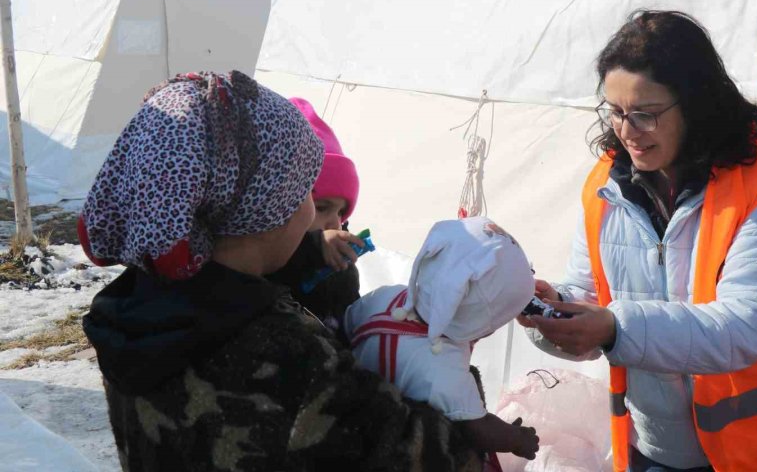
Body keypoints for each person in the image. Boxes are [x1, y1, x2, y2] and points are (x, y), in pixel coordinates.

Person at [79, 71, 483, 472]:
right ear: (269, 208)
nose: (324, 217)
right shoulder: (285, 356)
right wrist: (454, 370)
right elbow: (431, 455)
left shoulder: (128, 310)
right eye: (307, 192)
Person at [519, 11, 757, 472]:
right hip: (661, 452)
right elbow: (592, 294)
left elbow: (746, 325)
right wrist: (554, 309)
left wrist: (614, 329)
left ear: (695, 104)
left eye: (645, 115)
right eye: (615, 112)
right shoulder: (605, 187)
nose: (627, 132)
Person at [345, 217, 540, 463]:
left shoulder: (386, 297)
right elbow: (478, 428)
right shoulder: (444, 369)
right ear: (477, 319)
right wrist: (516, 438)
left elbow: (347, 324)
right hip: (398, 450)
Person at [267, 97, 364, 330]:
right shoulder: (266, 253)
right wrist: (313, 248)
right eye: (322, 208)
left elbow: (351, 316)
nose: (335, 223)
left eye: (342, 212)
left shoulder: (340, 261)